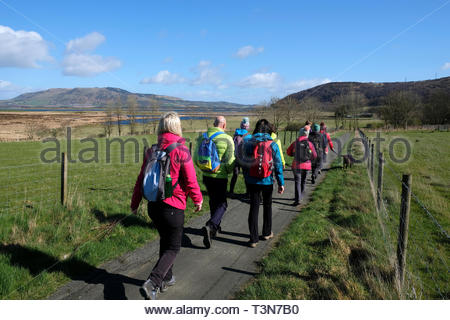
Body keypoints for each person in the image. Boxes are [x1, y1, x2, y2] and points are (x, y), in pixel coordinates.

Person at [131, 112, 203, 300]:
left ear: (160, 127)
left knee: (166, 240)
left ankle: (166, 278)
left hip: (153, 206)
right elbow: (190, 180)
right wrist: (198, 199)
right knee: (173, 247)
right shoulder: (181, 149)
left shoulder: (151, 150)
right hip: (173, 206)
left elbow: (141, 180)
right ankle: (153, 282)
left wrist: (135, 203)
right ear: (177, 127)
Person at [242, 119, 284, 248]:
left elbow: (244, 162)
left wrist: (247, 176)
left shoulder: (248, 142)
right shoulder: (273, 144)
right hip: (267, 181)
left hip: (252, 180)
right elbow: (278, 165)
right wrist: (280, 182)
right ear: (268, 130)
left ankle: (253, 239)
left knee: (253, 208)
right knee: (267, 205)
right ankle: (266, 232)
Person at [194, 116, 235, 248]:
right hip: (220, 177)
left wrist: (203, 169)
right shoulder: (228, 139)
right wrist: (227, 171)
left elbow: (195, 158)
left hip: (206, 176)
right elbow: (229, 161)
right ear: (224, 125)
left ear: (213, 124)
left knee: (213, 200)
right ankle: (211, 225)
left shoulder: (203, 137)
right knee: (222, 204)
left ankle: (214, 230)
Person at [287, 127, 317, 206]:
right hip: (306, 166)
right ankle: (301, 196)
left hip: (296, 165)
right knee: (303, 181)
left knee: (297, 182)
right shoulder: (310, 143)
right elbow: (314, 155)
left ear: (299, 134)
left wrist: (293, 154)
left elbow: (288, 152)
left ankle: (298, 199)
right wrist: (309, 159)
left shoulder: (295, 142)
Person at [230, 117, 250, 194]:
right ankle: (248, 193)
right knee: (246, 176)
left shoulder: (235, 134)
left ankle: (231, 191)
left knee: (235, 175)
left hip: (236, 158)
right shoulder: (249, 136)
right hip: (244, 159)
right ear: (247, 126)